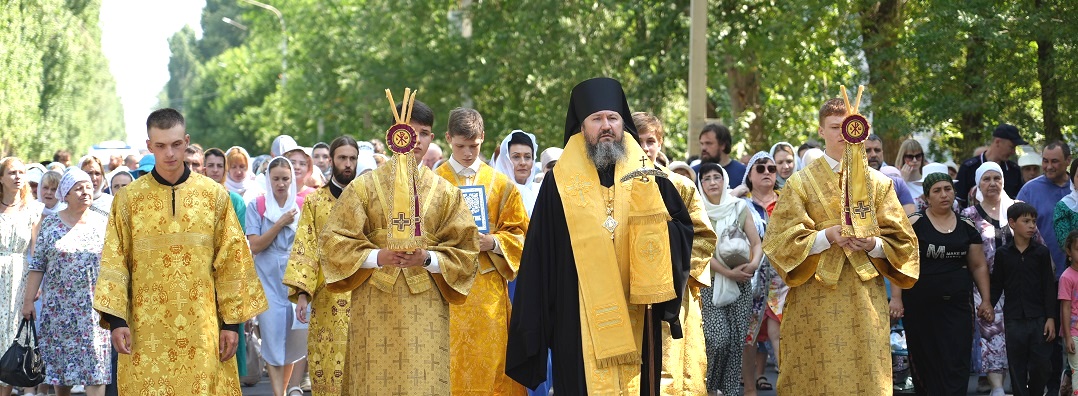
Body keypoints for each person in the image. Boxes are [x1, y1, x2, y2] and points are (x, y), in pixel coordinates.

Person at [506, 77, 693, 394]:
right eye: (597, 119)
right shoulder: (559, 182)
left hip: (637, 307)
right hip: (577, 315)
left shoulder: (647, 173)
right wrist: (538, 327)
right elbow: (540, 255)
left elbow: (683, 228)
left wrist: (658, 239)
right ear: (582, 127)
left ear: (623, 123)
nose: (606, 126)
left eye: (613, 118)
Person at [92, 108, 268, 394]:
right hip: (145, 330)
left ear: (186, 141)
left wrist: (231, 325)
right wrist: (116, 322)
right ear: (149, 146)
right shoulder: (128, 200)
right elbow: (115, 260)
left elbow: (232, 263)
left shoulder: (213, 195)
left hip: (203, 328)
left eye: (176, 144)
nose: (169, 153)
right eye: (160, 146)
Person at [320, 98, 480, 394]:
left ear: (432, 138)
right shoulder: (363, 187)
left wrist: (428, 258)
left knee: (424, 382)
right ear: (394, 134)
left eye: (424, 132)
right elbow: (333, 242)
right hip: (373, 302)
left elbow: (466, 248)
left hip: (427, 304)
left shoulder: (446, 192)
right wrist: (376, 256)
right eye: (410, 130)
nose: (416, 140)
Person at [762, 98, 919, 394]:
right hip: (814, 294)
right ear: (821, 130)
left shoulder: (878, 183)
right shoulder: (800, 183)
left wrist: (872, 244)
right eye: (834, 127)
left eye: (847, 127)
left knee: (866, 375)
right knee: (814, 374)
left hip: (864, 297)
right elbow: (778, 241)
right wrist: (826, 236)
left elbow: (904, 243)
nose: (842, 134)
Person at [433, 108, 529, 395]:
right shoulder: (433, 182)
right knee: (447, 362)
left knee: (493, 362)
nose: (466, 153)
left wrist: (494, 242)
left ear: (483, 138)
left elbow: (522, 233)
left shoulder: (501, 184)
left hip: (488, 292)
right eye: (460, 146)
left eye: (473, 146)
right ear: (448, 138)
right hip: (445, 289)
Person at [633, 111, 717, 395]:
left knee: (672, 366)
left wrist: (673, 269)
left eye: (651, 141)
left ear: (660, 144)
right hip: (629, 294)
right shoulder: (617, 189)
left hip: (673, 292)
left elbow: (704, 237)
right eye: (638, 140)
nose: (645, 148)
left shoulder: (682, 186)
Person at [895, 171, 993, 395]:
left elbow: (978, 266)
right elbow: (900, 262)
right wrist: (897, 299)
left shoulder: (967, 225)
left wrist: (986, 300)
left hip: (957, 307)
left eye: (947, 189)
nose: (943, 195)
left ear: (954, 193)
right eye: (937, 191)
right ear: (927, 197)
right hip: (921, 308)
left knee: (956, 359)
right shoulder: (915, 223)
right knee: (926, 359)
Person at [21, 169, 111, 396]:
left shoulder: (103, 224)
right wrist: (28, 302)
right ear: (66, 194)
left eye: (88, 187)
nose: (85, 192)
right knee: (60, 373)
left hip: (94, 311)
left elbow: (114, 267)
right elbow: (37, 266)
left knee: (96, 369)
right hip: (59, 311)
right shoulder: (50, 226)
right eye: (78, 188)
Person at [282, 136, 359, 395]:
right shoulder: (315, 202)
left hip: (364, 296)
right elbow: (306, 247)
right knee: (327, 362)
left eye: (352, 158)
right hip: (328, 297)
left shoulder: (368, 200)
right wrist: (303, 294)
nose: (347, 164)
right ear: (332, 161)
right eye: (342, 158)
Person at [697, 163, 760, 396]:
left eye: (717, 177)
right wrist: (726, 272)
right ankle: (708, 389)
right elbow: (699, 251)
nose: (713, 182)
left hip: (741, 283)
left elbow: (756, 243)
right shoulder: (698, 210)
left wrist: (752, 265)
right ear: (700, 184)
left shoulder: (738, 207)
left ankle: (729, 391)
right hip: (710, 284)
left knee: (735, 343)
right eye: (706, 179)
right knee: (717, 339)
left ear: (725, 180)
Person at [246, 157, 307, 396]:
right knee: (271, 338)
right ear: (268, 179)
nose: (280, 184)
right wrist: (280, 223)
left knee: (291, 340)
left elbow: (307, 247)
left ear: (292, 180)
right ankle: (277, 392)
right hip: (267, 277)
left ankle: (283, 389)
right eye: (276, 179)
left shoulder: (301, 205)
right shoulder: (257, 206)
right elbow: (256, 245)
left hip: (293, 276)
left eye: (285, 179)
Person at [988, 202, 1058, 396]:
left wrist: (1051, 318)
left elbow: (1048, 287)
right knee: (1016, 366)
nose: (1031, 226)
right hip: (1014, 320)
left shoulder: (1041, 253)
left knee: (1041, 365)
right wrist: (989, 305)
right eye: (1026, 221)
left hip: (1039, 319)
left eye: (1033, 222)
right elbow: (997, 285)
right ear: (1012, 223)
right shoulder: (1003, 253)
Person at [960, 162, 1015, 395]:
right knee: (992, 334)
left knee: (1015, 335)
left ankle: (1014, 382)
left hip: (1016, 285)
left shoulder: (1017, 210)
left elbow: (1037, 243)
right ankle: (997, 387)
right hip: (983, 287)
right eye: (986, 179)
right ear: (978, 184)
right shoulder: (969, 215)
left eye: (997, 178)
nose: (992, 183)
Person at [0, 157, 45, 395]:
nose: (18, 176)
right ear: (1, 178)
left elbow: (36, 254)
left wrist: (32, 288)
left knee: (11, 341)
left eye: (21, 172)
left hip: (18, 278)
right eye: (11, 172)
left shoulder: (33, 210)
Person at [1017, 141, 1072, 276]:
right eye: (1045, 161)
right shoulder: (1029, 190)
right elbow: (1015, 230)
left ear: (1068, 161)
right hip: (1040, 271)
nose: (1048, 167)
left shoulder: (1075, 188)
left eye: (1054, 161)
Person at [956, 124, 1027, 207]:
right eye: (1011, 147)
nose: (1013, 152)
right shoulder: (969, 168)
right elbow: (959, 202)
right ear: (997, 142)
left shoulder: (1014, 171)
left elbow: (1019, 202)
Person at [492, 130, 540, 215]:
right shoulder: (494, 193)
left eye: (527, 157)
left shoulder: (540, 191)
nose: (523, 163)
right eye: (516, 157)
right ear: (505, 161)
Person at [694, 123, 745, 188]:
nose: (703, 148)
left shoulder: (742, 173)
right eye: (702, 143)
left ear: (723, 145)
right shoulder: (694, 174)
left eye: (708, 143)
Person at [1058, 230, 1078, 394]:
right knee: (1077, 372)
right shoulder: (1067, 277)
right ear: (1069, 252)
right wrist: (1068, 337)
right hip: (1074, 332)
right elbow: (1065, 307)